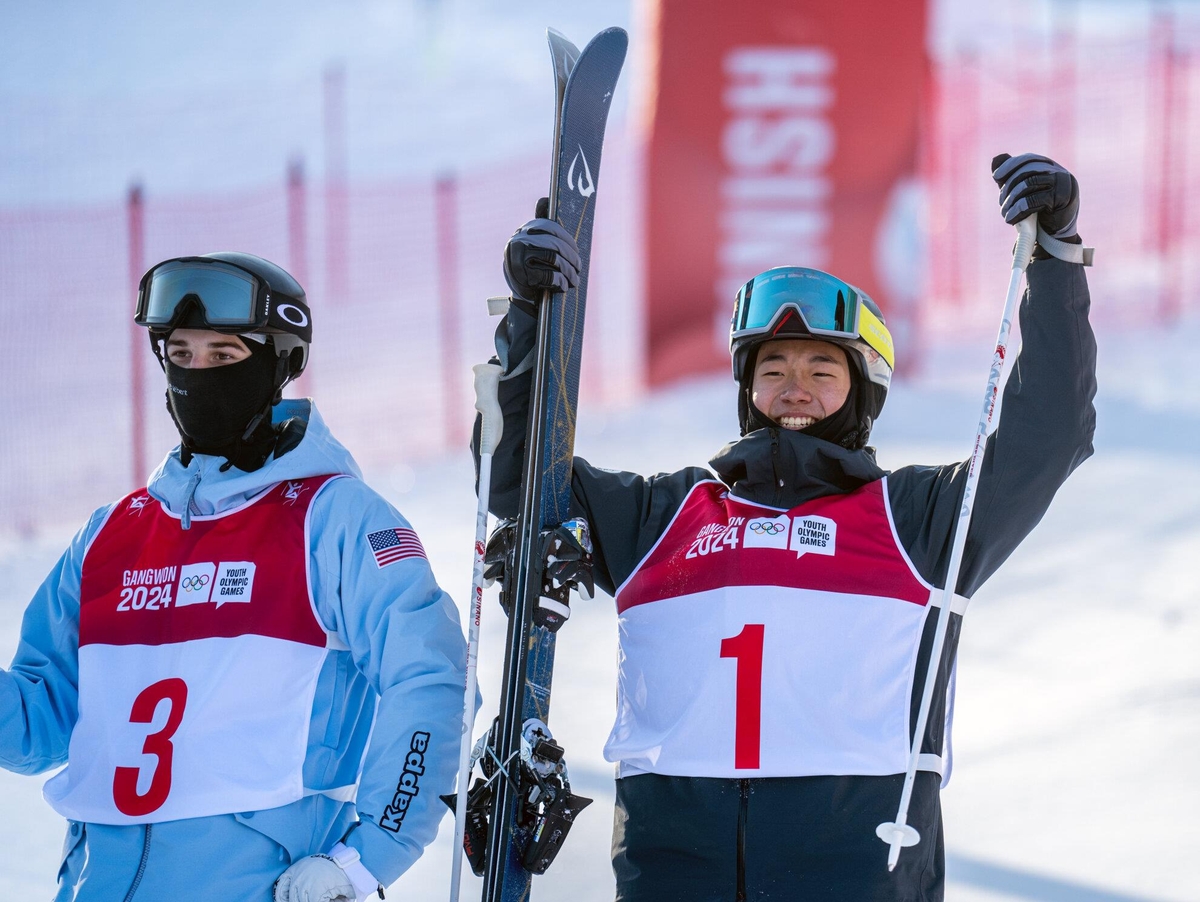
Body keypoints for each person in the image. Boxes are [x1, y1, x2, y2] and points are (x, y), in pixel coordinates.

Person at [477, 153, 1097, 900]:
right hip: (671, 865)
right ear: (747, 388)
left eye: (821, 370)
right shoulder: (663, 516)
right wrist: (529, 316)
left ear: (861, 392)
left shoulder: (918, 522)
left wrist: (1055, 255)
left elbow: (1049, 433)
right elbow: (517, 476)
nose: (793, 387)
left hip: (856, 868)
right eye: (772, 368)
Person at [0, 252, 468, 902]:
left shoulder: (333, 519)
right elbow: (40, 719)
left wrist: (368, 859)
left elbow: (431, 678)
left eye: (223, 356)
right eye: (180, 354)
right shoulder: (109, 537)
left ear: (278, 364)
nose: (197, 374)